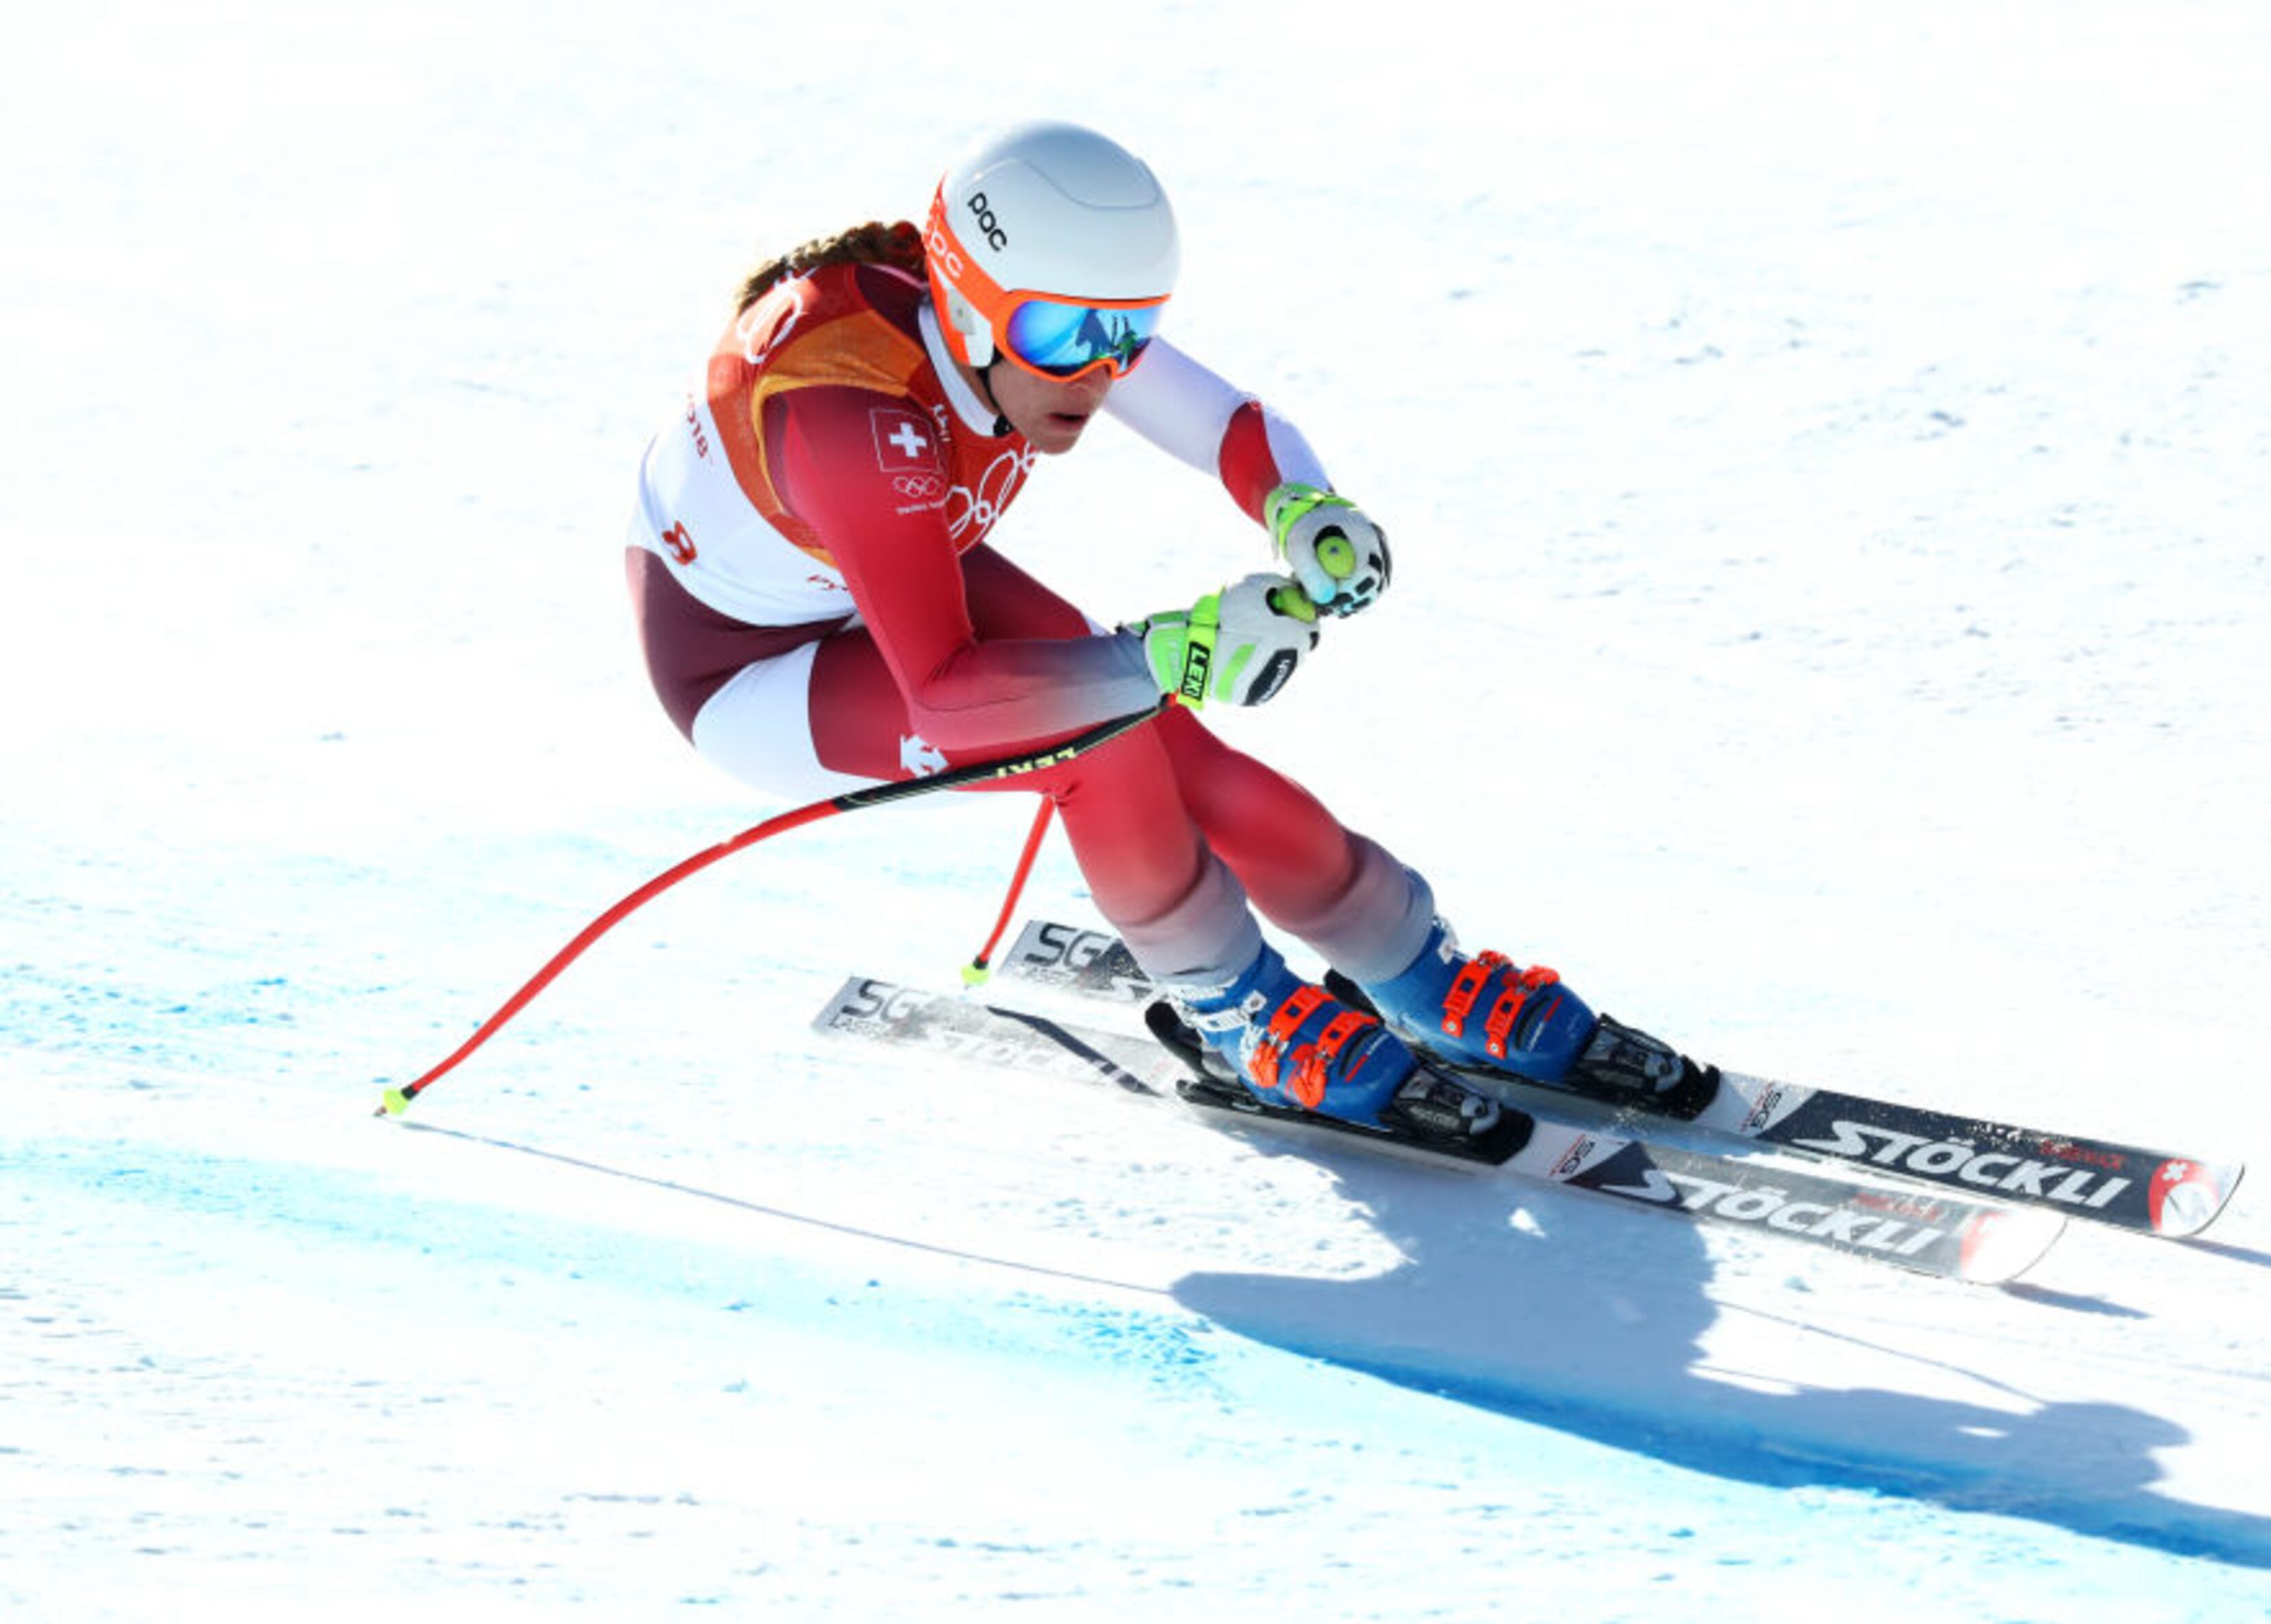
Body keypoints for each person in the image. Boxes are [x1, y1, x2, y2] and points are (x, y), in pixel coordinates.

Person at [624, 119, 1703, 1149]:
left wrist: (1302, 507)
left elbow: (1226, 421)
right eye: (1066, 339)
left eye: (1128, 333)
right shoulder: (855, 421)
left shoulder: (1030, 313)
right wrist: (1168, 651)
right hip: (749, 668)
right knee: (1097, 745)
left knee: (1181, 749)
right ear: (967, 310)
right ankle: (1229, 1006)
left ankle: (1413, 964)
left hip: (874, 562)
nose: (1099, 375)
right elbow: (947, 695)